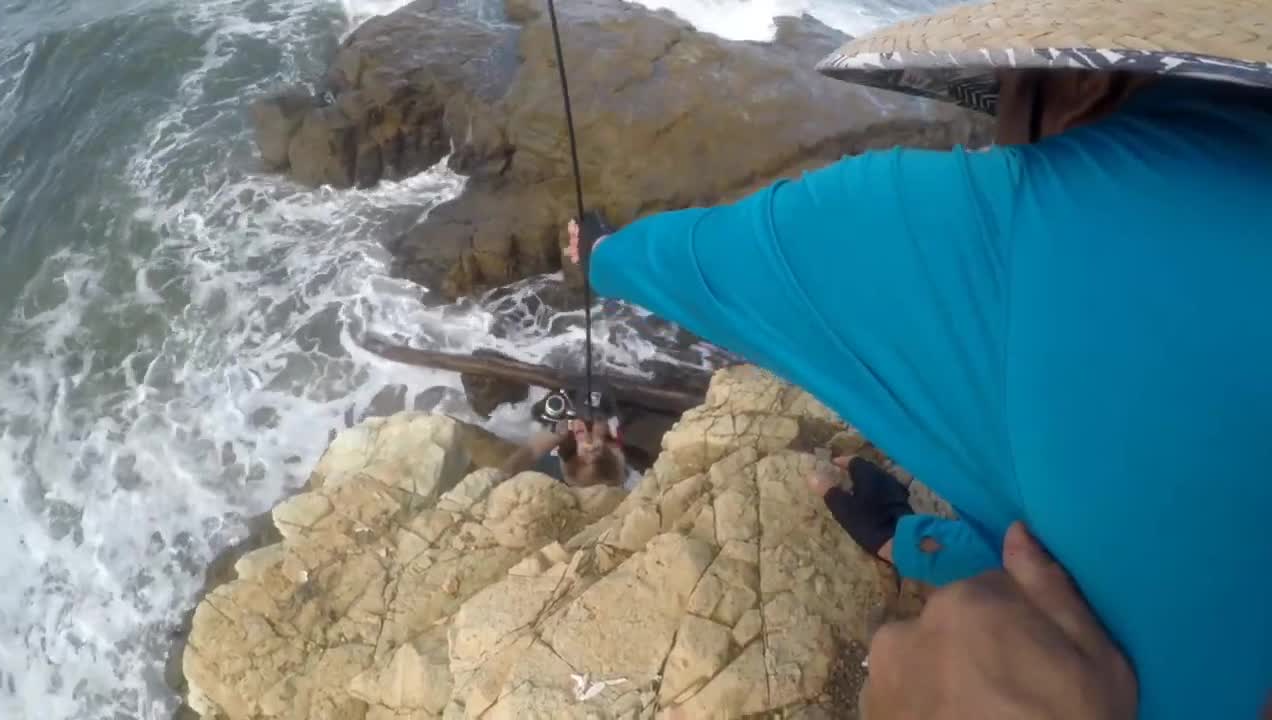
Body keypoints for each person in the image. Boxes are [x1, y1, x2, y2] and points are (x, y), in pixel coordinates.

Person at [565, 0, 1272, 717]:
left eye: (1005, 87)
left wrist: (599, 255)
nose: (996, 136)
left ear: (1087, 81)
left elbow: (716, 261)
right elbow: (1131, 536)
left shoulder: (1006, 219)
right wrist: (907, 540)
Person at [501, 417, 627, 488]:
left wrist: (556, 434)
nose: (589, 441)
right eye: (599, 453)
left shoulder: (563, 429)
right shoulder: (619, 428)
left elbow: (529, 452)